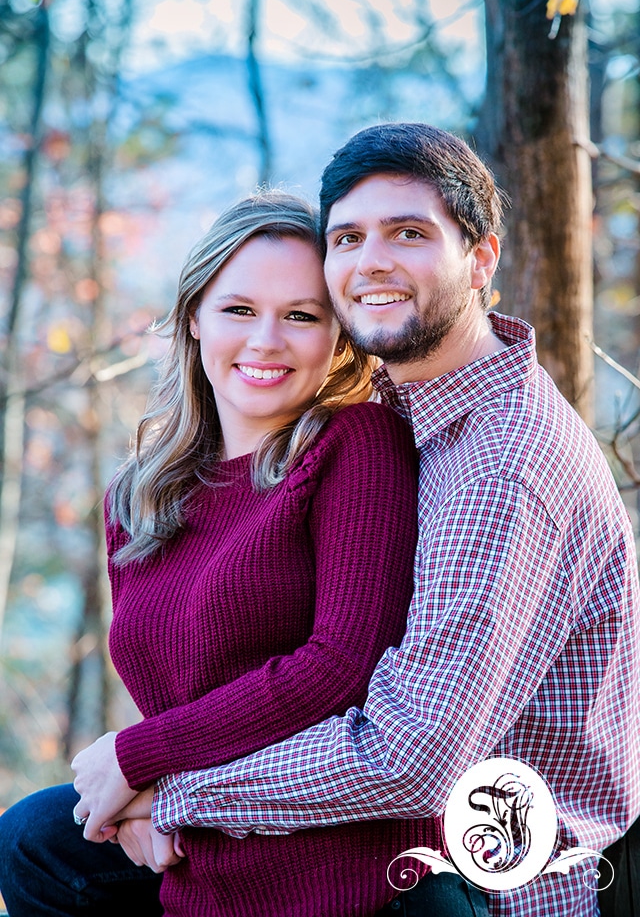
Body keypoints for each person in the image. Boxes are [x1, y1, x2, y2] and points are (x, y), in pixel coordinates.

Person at [71, 124, 639, 917]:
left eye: (409, 233)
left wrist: (164, 790)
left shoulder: (500, 468)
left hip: (491, 883)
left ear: (482, 259)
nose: (372, 261)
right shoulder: (411, 406)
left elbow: (407, 755)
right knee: (38, 845)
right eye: (348, 237)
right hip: (378, 832)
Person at [0, 191, 488, 917]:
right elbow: (175, 682)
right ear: (194, 316)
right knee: (29, 841)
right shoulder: (141, 495)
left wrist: (138, 762)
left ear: (336, 336)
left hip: (344, 868)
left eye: (300, 316)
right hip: (207, 842)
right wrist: (144, 796)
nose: (266, 340)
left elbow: (341, 668)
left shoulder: (355, 446)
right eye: (238, 310)